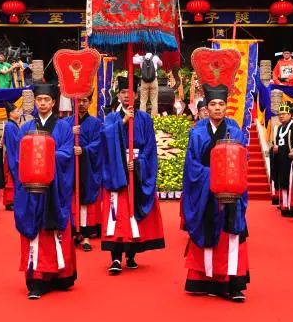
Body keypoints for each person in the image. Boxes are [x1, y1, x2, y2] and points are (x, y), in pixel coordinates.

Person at [181, 82, 250, 301]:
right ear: (207, 108)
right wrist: (213, 176)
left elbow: (242, 161)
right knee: (207, 230)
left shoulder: (235, 131)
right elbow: (191, 165)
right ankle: (204, 280)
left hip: (230, 192)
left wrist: (228, 178)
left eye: (221, 104)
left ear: (226, 106)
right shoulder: (197, 133)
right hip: (205, 193)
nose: (217, 108)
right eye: (213, 104)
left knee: (230, 236)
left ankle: (233, 284)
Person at [11, 83, 76, 299]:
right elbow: (18, 158)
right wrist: (34, 166)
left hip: (55, 188)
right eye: (39, 100)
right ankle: (37, 279)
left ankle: (59, 275)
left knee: (54, 231)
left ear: (54, 102)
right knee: (36, 232)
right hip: (32, 189)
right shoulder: (25, 128)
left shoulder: (63, 127)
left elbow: (67, 153)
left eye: (46, 100)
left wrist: (45, 155)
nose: (42, 103)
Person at [100, 77, 164, 273]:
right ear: (118, 95)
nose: (127, 96)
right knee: (117, 214)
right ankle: (115, 257)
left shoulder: (144, 118)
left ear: (136, 95)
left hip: (137, 169)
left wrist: (138, 164)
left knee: (134, 213)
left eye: (130, 92)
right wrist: (123, 122)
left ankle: (131, 254)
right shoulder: (112, 117)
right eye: (123, 92)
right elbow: (106, 139)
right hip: (118, 170)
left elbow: (150, 147)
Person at [62, 96, 103, 251]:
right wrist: (70, 133)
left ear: (90, 102)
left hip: (87, 166)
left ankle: (86, 236)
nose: (81, 104)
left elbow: (98, 144)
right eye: (78, 101)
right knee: (71, 198)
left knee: (85, 200)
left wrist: (84, 150)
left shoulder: (96, 123)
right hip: (70, 165)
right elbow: (59, 142)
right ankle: (74, 232)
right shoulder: (66, 123)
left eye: (85, 101)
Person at [269, 108, 293, 207]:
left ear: (290, 115)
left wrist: (280, 148)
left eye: (284, 114)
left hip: (288, 159)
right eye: (280, 114)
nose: (281, 116)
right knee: (280, 179)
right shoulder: (280, 128)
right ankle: (282, 203)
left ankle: (288, 204)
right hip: (280, 158)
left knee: (287, 180)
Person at [1, 102, 21, 211]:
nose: (19, 112)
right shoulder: (10, 126)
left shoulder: (13, 125)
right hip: (12, 156)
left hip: (15, 154)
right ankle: (10, 201)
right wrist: (15, 159)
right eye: (17, 111)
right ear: (11, 114)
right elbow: (12, 144)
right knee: (11, 178)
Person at [133, 51, 163, 115]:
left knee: (143, 100)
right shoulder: (155, 57)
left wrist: (136, 56)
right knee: (154, 100)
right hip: (154, 80)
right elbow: (161, 64)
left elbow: (133, 60)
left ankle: (143, 116)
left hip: (144, 81)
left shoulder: (141, 58)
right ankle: (154, 117)